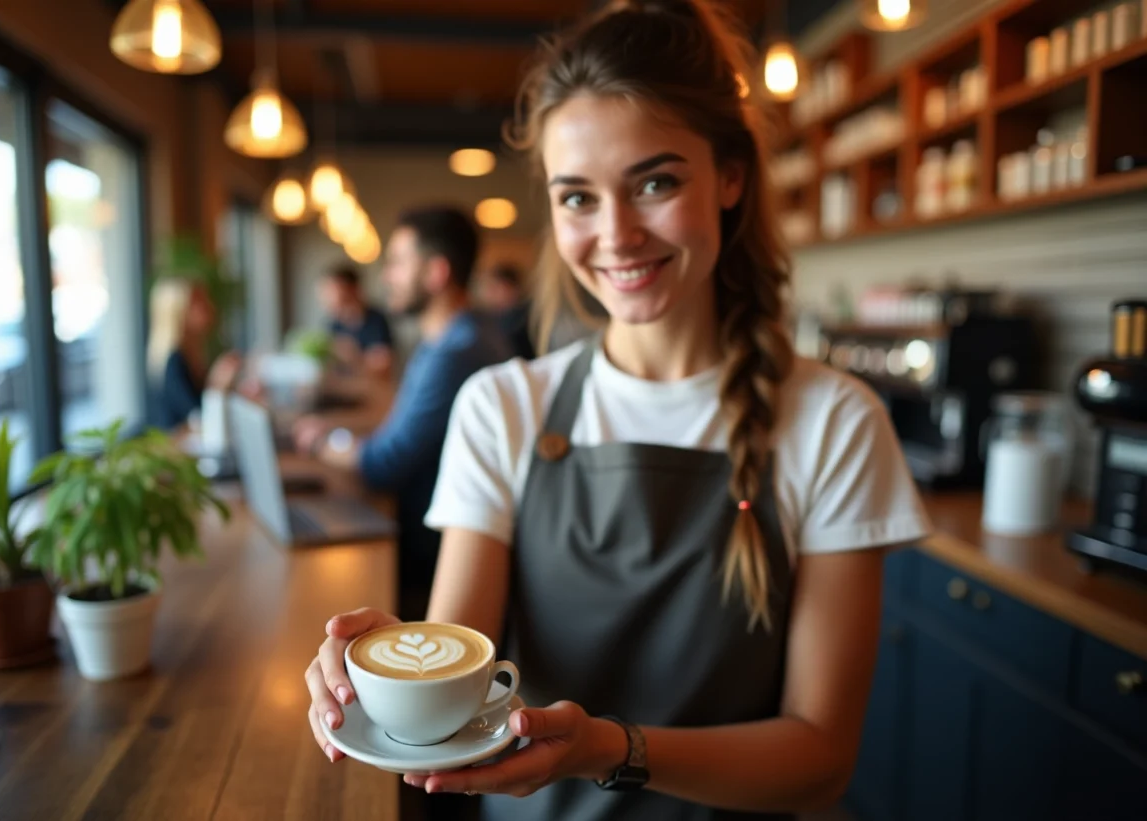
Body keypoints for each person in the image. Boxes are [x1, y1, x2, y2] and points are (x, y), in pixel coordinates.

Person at [304, 2, 931, 819]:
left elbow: (818, 760)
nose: (617, 233)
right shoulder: (503, 405)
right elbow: (457, 662)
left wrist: (613, 747)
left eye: (656, 182)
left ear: (731, 176)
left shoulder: (836, 422)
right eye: (577, 198)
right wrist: (391, 673)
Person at [295, 205, 512, 614]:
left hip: (429, 555)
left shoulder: (457, 353)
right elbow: (401, 422)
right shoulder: (451, 338)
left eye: (396, 263)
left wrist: (326, 440)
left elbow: (382, 465)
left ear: (436, 273)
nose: (386, 277)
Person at [146, 278, 241, 430]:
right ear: (179, 313)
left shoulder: (196, 353)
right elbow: (198, 418)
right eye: (198, 303)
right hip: (174, 448)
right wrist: (218, 384)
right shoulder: (174, 362)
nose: (209, 305)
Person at [320, 263, 394, 377]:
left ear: (352, 289)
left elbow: (384, 364)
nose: (326, 297)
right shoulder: (332, 324)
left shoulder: (376, 319)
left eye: (331, 290)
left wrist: (353, 355)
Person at [477, 262, 537, 361]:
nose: (489, 294)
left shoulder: (523, 320)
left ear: (513, 288)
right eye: (489, 288)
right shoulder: (490, 320)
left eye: (495, 288)